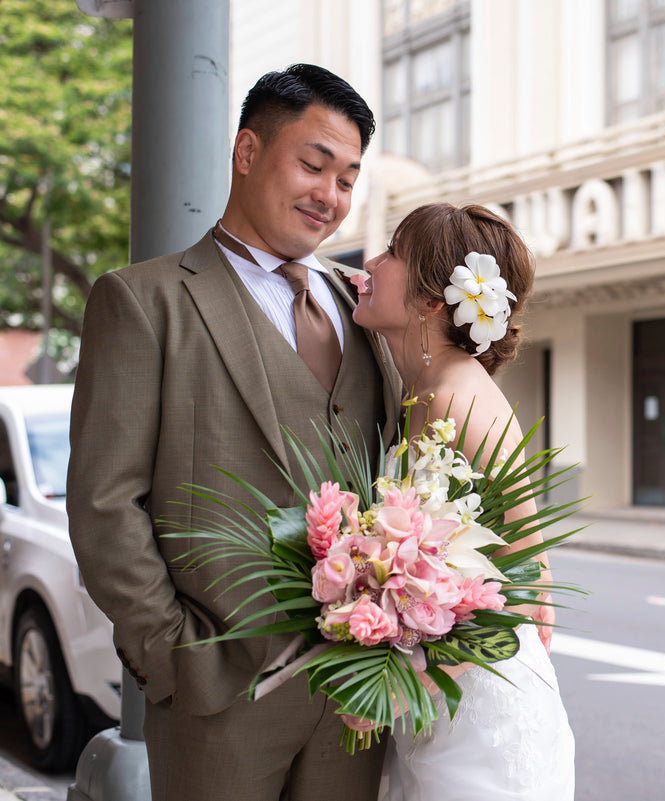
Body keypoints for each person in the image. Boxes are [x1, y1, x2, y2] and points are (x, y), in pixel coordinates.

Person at [67, 64, 401, 801]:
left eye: (348, 179)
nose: (331, 196)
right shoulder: (142, 300)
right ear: (247, 153)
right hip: (216, 697)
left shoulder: (364, 306)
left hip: (356, 694)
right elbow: (103, 504)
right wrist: (175, 656)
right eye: (313, 165)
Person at [352, 202, 575, 800]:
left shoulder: (453, 400)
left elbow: (522, 578)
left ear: (431, 301)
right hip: (452, 702)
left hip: (476, 715)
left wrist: (397, 691)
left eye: (393, 253)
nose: (371, 261)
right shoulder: (430, 391)